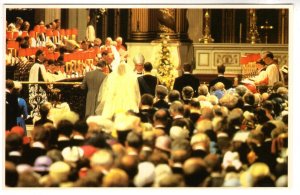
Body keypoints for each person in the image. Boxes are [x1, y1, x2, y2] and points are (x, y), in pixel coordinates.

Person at [28, 49, 50, 120]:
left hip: (39, 88)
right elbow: (40, 79)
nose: (44, 56)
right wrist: (46, 88)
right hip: (38, 89)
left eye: (44, 55)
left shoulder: (40, 65)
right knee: (38, 107)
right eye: (42, 55)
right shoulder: (37, 66)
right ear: (38, 56)